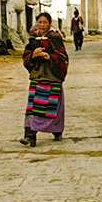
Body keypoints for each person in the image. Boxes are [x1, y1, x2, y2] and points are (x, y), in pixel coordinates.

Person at [20, 12, 69, 147]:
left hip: (52, 77)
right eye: (39, 22)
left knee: (53, 107)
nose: (42, 25)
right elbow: (25, 57)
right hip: (37, 77)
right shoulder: (33, 39)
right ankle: (30, 136)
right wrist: (33, 56)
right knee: (32, 106)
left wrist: (50, 58)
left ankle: (57, 130)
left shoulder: (55, 38)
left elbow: (63, 57)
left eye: (45, 22)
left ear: (49, 24)